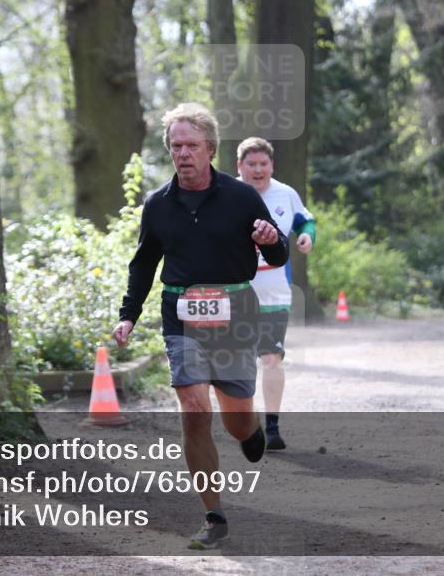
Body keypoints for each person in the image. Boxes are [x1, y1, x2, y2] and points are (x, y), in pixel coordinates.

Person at [113, 103, 288, 550]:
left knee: (235, 419)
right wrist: (128, 314)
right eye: (176, 146)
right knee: (193, 409)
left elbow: (278, 255)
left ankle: (250, 432)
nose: (183, 153)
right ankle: (214, 516)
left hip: (234, 312)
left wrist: (272, 241)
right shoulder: (158, 204)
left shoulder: (241, 196)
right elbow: (144, 263)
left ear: (210, 148)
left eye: (192, 145)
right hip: (181, 316)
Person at [235, 137, 316, 450]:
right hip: (237, 291)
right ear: (239, 166)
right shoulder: (227, 195)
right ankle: (246, 423)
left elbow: (306, 221)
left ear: (272, 165)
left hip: (275, 292)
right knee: (240, 362)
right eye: (251, 164)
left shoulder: (285, 194)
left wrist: (307, 238)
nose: (258, 170)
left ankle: (272, 427)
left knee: (271, 358)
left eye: (263, 164)